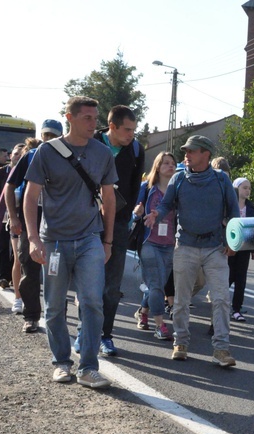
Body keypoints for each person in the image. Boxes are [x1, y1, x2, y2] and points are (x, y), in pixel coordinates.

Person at [23, 96, 117, 388]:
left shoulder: (102, 153)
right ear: (70, 117)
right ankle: (62, 362)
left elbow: (109, 198)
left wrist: (108, 241)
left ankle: (89, 367)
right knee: (53, 306)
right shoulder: (46, 153)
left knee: (92, 302)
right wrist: (33, 238)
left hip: (90, 238)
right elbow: (30, 195)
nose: (94, 124)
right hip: (54, 242)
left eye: (95, 118)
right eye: (87, 118)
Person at [144, 135, 240, 366]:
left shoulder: (221, 180)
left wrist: (233, 242)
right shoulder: (179, 179)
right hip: (185, 246)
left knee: (221, 299)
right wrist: (157, 212)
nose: (186, 154)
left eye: (191, 151)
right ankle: (181, 342)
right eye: (186, 151)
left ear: (205, 154)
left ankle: (222, 349)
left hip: (215, 247)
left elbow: (234, 212)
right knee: (181, 300)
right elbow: (167, 204)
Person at [74, 105, 144, 357]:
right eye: (127, 129)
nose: (131, 135)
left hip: (118, 225)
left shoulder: (136, 150)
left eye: (134, 130)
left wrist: (120, 223)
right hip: (86, 223)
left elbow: (134, 188)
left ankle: (105, 335)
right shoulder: (88, 143)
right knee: (88, 282)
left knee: (112, 285)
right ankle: (84, 331)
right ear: (111, 126)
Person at [5, 120, 62, 333]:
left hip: (58, 226)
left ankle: (57, 317)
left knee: (57, 273)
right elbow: (9, 187)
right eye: (46, 135)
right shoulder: (30, 156)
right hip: (31, 224)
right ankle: (31, 316)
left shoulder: (67, 154)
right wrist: (14, 217)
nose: (48, 139)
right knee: (29, 270)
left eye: (53, 135)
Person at [132, 152, 177, 340]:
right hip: (149, 242)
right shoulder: (147, 187)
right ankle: (160, 324)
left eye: (173, 163)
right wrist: (137, 213)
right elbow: (134, 213)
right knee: (157, 284)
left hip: (170, 244)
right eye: (166, 163)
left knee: (155, 284)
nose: (170, 166)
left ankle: (143, 311)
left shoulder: (178, 190)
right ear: (157, 166)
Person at [0, 143, 24, 290]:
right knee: (3, 246)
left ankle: (13, 276)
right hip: (4, 216)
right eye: (16, 154)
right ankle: (3, 277)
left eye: (21, 154)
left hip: (21, 217)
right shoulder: (1, 172)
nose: (18, 156)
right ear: (11, 156)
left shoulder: (27, 172)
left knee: (18, 250)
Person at [228, 177, 254, 322]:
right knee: (227, 277)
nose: (247, 190)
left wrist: (253, 249)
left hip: (244, 248)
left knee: (241, 279)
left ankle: (236, 309)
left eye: (249, 188)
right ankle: (220, 305)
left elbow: (253, 228)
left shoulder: (251, 207)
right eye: (244, 187)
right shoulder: (229, 205)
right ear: (236, 188)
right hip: (229, 246)